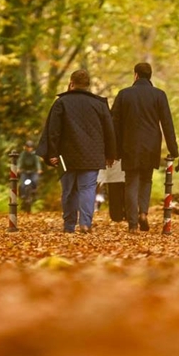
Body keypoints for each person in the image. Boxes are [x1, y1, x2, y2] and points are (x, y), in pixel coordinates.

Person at [36, 69, 116, 233]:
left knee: (69, 190)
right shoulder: (99, 104)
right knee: (87, 189)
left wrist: (52, 153)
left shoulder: (61, 103)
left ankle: (69, 225)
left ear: (71, 83)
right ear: (88, 85)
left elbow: (54, 131)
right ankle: (85, 223)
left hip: (67, 156)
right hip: (92, 155)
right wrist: (110, 155)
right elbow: (110, 131)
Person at [111, 62, 179, 233]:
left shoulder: (124, 94)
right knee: (146, 180)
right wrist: (173, 148)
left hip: (129, 144)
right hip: (151, 145)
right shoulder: (159, 95)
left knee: (131, 181)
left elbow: (114, 124)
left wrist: (113, 150)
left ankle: (133, 223)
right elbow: (167, 123)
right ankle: (143, 212)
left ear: (136, 75)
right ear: (150, 76)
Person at [17, 140, 43, 212]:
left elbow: (37, 163)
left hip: (33, 172)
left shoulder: (35, 154)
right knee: (22, 184)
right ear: (25, 147)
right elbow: (20, 162)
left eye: (30, 147)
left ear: (32, 148)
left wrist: (39, 169)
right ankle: (23, 196)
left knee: (35, 181)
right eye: (28, 147)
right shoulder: (23, 154)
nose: (29, 149)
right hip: (25, 172)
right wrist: (18, 168)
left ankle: (34, 192)